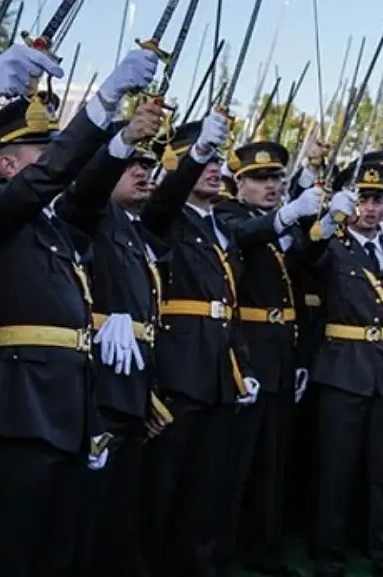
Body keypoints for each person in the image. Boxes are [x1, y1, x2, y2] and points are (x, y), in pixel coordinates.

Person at [0, 44, 158, 577]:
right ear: (6, 164)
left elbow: (82, 194)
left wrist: (122, 138)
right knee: (14, 551)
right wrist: (101, 99)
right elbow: (50, 180)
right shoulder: (0, 209)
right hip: (17, 410)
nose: (56, 159)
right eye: (44, 150)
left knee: (58, 552)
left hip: (68, 408)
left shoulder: (53, 226)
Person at [54, 103, 169, 577]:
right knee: (89, 506)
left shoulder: (133, 229)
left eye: (147, 166)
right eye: (131, 166)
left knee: (120, 503)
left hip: (133, 377)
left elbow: (170, 200)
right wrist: (117, 142)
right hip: (97, 377)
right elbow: (84, 195)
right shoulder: (90, 213)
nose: (142, 174)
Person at [141, 110, 257, 577]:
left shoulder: (220, 225)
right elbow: (163, 200)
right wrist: (195, 156)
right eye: (199, 159)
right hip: (179, 366)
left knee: (208, 487)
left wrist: (240, 363)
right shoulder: (166, 215)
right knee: (164, 485)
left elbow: (230, 304)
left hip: (218, 368)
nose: (213, 168)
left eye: (215, 160)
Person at [303, 161, 383, 577]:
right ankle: (329, 555)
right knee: (336, 470)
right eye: (362, 200)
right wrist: (328, 217)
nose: (370, 209)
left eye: (376, 200)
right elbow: (309, 254)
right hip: (343, 369)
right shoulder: (332, 245)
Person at [214, 140, 324, 576]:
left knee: (272, 460)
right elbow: (245, 236)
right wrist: (290, 215)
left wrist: (323, 223)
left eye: (277, 177)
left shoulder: (279, 223)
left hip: (280, 348)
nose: (272, 185)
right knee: (235, 461)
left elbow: (301, 267)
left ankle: (265, 547)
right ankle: (223, 549)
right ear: (239, 184)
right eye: (260, 179)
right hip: (247, 348)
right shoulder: (229, 214)